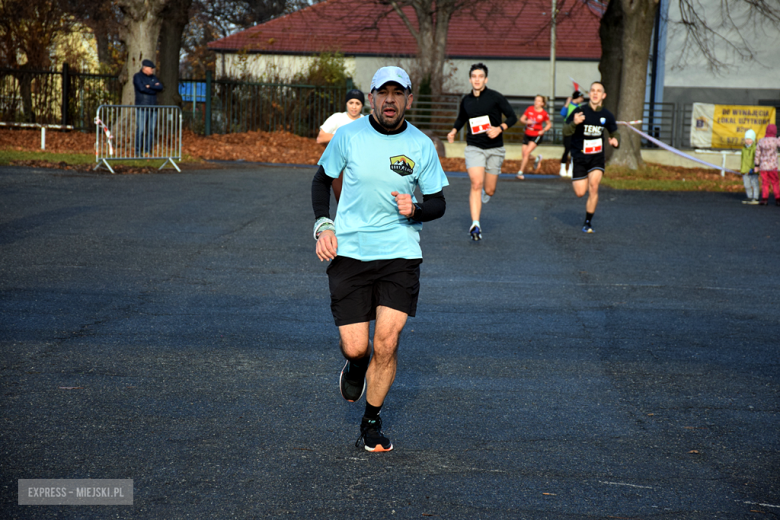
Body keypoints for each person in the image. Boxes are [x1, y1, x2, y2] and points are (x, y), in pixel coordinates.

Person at [311, 66, 448, 452]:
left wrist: (416, 209)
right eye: (383, 92)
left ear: (408, 100)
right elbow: (321, 180)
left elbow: (437, 202)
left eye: (397, 92)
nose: (390, 99)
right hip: (351, 251)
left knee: (387, 341)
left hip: (400, 253)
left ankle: (371, 422)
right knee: (358, 347)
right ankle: (356, 365)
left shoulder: (421, 144)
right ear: (371, 97)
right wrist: (324, 225)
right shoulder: (348, 136)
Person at [446, 63, 517, 241]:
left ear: (486, 79)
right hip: (474, 147)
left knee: (490, 190)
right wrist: (454, 131)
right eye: (474, 77)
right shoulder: (466, 100)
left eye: (480, 76)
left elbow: (512, 117)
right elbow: (462, 118)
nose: (477, 80)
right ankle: (475, 224)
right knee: (476, 183)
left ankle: (487, 193)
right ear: (470, 79)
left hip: (495, 149)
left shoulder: (495, 97)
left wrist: (499, 128)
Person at [562, 81, 619, 233]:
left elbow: (614, 132)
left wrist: (615, 140)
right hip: (579, 156)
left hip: (596, 157)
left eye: (598, 91)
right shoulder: (579, 111)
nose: (595, 93)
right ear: (589, 94)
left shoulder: (607, 115)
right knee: (580, 193)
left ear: (603, 95)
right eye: (592, 90)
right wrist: (574, 123)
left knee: (594, 186)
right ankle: (583, 176)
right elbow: (565, 131)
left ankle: (588, 222)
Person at [316, 89, 366, 201]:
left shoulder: (365, 121)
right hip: (338, 165)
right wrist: (343, 137)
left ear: (362, 105)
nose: (354, 107)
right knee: (342, 200)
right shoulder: (338, 118)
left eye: (357, 103)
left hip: (358, 166)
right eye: (351, 102)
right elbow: (320, 137)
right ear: (346, 103)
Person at [133, 59, 163, 157]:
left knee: (151, 130)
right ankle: (138, 151)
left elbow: (160, 87)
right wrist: (153, 88)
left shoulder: (153, 77)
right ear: (145, 68)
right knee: (141, 130)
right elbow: (141, 88)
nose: (152, 70)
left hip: (153, 107)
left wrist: (149, 86)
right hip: (142, 106)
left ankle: (147, 150)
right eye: (151, 68)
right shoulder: (137, 76)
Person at [517, 95, 552, 180]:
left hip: (536, 135)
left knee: (526, 153)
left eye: (539, 101)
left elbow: (549, 124)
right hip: (527, 134)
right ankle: (537, 159)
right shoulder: (529, 109)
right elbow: (522, 119)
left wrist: (543, 130)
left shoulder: (544, 113)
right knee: (524, 154)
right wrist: (527, 121)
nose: (536, 102)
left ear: (542, 103)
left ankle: (520, 172)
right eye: (535, 100)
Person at [559, 90, 585, 178]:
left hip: (577, 130)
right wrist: (567, 103)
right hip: (568, 129)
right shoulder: (569, 105)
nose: (582, 99)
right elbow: (562, 113)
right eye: (581, 97)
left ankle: (571, 168)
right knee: (567, 149)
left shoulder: (580, 107)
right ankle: (563, 167)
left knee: (575, 150)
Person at [754, 124, 780, 206]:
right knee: (775, 182)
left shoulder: (761, 141)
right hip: (773, 166)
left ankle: (764, 199)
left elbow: (757, 153)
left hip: (763, 166)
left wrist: (756, 165)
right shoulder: (775, 141)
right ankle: (778, 199)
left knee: (765, 182)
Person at [740, 129, 759, 204]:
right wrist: (742, 169)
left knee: (754, 184)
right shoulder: (743, 149)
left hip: (752, 170)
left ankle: (755, 197)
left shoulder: (755, 149)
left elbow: (756, 159)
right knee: (746, 185)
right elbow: (742, 160)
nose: (747, 141)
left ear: (753, 140)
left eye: (749, 139)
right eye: (746, 139)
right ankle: (749, 196)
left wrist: (754, 168)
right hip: (745, 170)